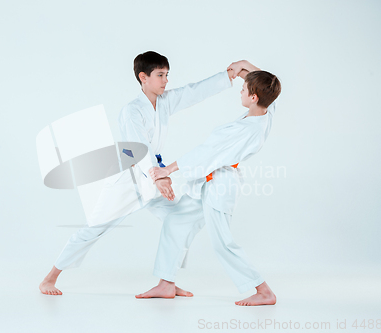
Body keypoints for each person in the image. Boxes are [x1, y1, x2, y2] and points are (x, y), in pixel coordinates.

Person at [39, 51, 241, 296]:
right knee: (94, 228)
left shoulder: (164, 101)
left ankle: (167, 283)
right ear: (143, 77)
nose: (165, 80)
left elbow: (193, 92)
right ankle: (50, 278)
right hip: (127, 180)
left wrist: (229, 75)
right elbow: (139, 149)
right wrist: (159, 177)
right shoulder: (131, 111)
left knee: (178, 221)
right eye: (160, 75)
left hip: (153, 178)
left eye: (167, 74)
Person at [137, 60, 281, 306]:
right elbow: (268, 88)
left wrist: (168, 169)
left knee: (222, 242)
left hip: (220, 186)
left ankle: (263, 289)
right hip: (208, 182)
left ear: (254, 97)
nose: (240, 91)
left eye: (244, 89)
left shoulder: (247, 130)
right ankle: (166, 283)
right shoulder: (265, 110)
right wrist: (244, 67)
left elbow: (206, 153)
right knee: (175, 222)